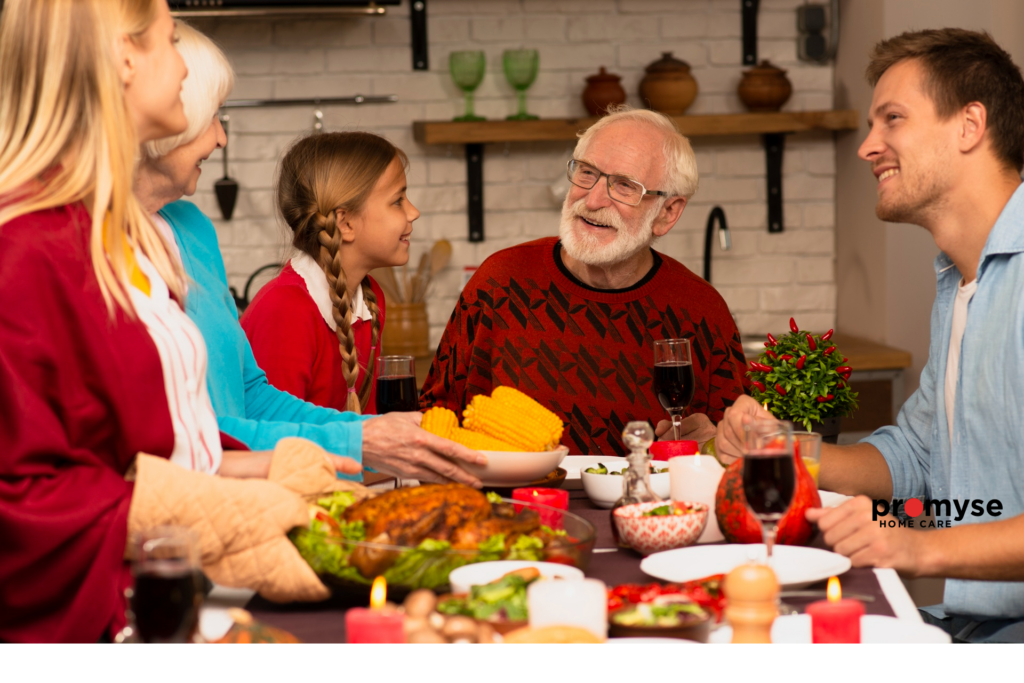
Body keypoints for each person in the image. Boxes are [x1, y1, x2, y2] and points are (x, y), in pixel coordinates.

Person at [0, 0, 328, 644]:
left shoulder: (126, 236)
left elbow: (134, 450)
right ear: (124, 57)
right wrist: (210, 512)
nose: (182, 64)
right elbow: (20, 497)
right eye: (170, 40)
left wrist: (258, 469)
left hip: (157, 605)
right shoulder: (25, 245)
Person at [716, 29, 1024, 642]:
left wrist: (916, 548)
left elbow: (917, 530)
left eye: (893, 120)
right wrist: (779, 450)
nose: (867, 147)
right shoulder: (962, 281)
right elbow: (914, 455)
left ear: (969, 126)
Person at [136, 25, 485, 486]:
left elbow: (252, 396)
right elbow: (173, 438)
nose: (222, 139)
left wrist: (374, 432)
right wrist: (362, 444)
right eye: (212, 116)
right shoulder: (78, 246)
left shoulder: (192, 228)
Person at [421, 106, 747, 455]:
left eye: (624, 186)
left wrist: (710, 445)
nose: (592, 200)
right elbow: (432, 415)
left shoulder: (702, 310)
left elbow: (741, 452)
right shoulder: (500, 282)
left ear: (667, 213)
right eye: (587, 173)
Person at [241, 132, 411, 416]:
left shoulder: (369, 300)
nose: (414, 212)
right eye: (398, 201)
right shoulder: (285, 310)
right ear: (345, 223)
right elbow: (274, 439)